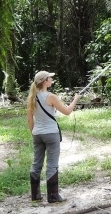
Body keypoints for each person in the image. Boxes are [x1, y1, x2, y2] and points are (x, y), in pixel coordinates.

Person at [26, 70, 80, 203]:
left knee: (36, 163)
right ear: (45, 81)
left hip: (37, 134)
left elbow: (29, 119)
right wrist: (75, 100)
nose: (51, 80)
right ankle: (53, 196)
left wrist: (34, 132)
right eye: (50, 78)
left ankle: (35, 195)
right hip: (51, 134)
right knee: (52, 164)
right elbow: (67, 111)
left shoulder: (32, 97)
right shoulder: (50, 96)